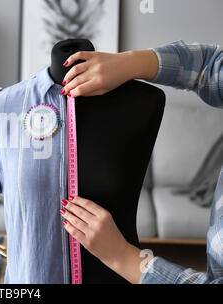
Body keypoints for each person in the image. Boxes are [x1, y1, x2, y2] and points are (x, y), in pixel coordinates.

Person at [58, 40, 222, 284]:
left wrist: (123, 257)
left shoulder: (146, 99)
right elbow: (211, 66)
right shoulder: (7, 102)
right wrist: (130, 62)